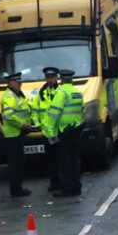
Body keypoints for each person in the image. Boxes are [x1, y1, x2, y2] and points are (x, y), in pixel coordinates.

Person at [42, 67, 84, 197]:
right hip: (76, 130)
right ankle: (76, 186)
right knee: (74, 160)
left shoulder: (61, 93)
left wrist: (50, 133)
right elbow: (81, 112)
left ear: (61, 79)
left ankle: (67, 188)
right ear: (71, 79)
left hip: (64, 131)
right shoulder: (77, 93)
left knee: (64, 161)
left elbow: (54, 114)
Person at [0, 71, 36, 198]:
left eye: (20, 82)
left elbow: (25, 111)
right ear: (10, 83)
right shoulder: (9, 96)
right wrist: (22, 124)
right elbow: (9, 115)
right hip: (13, 135)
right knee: (15, 165)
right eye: (16, 82)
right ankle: (16, 190)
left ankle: (18, 188)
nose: (19, 84)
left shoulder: (18, 95)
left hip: (19, 133)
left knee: (19, 163)